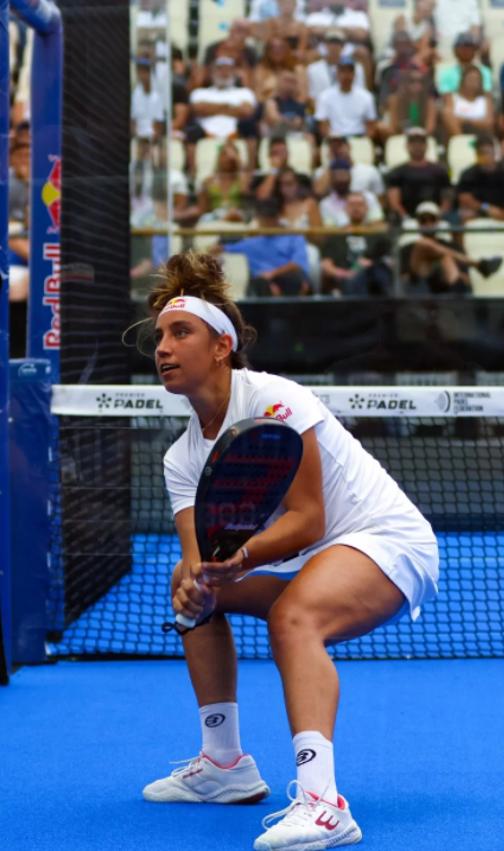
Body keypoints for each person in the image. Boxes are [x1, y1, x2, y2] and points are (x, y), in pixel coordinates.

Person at [140, 251, 440, 848]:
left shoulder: (276, 401)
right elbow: (200, 560)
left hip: (383, 540)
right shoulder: (181, 458)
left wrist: (242, 558)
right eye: (159, 338)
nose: (163, 348)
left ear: (221, 345)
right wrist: (200, 578)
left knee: (293, 616)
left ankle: (324, 805)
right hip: (309, 555)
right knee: (189, 590)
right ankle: (225, 765)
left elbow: (308, 520)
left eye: (181, 333)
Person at [217, 198, 313, 296]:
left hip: (290, 279)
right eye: (264, 219)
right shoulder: (251, 242)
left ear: (278, 217)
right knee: (261, 283)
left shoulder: (294, 236)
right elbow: (223, 248)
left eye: (271, 218)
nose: (267, 222)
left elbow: (297, 264)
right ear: (259, 219)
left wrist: (272, 274)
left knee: (296, 282)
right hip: (264, 283)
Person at [404, 201, 503, 294]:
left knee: (446, 258)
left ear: (438, 222)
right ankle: (478, 264)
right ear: (418, 223)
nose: (428, 224)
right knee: (423, 245)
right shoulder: (408, 248)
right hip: (420, 287)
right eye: (423, 220)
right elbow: (404, 278)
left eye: (432, 219)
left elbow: (464, 277)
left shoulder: (452, 246)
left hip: (447, 287)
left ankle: (457, 304)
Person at [188, 57, 259, 166]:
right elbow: (198, 109)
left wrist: (211, 108)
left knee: (249, 126)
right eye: (220, 69)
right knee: (192, 131)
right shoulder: (199, 93)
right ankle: (192, 171)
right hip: (207, 133)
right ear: (212, 72)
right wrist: (231, 107)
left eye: (228, 69)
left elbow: (246, 111)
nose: (224, 73)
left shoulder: (245, 92)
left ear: (234, 72)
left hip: (235, 133)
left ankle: (251, 168)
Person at [320, 192, 395, 295]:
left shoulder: (377, 236)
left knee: (379, 271)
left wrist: (367, 265)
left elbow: (389, 260)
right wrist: (345, 274)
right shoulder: (336, 236)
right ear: (345, 208)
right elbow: (326, 265)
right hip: (348, 280)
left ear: (367, 208)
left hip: (374, 277)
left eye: (359, 204)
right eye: (352, 205)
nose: (356, 208)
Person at [385, 127, 452, 222]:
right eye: (413, 143)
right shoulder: (397, 172)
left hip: (435, 217)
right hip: (406, 218)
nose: (417, 146)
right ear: (407, 146)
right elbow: (394, 202)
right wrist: (406, 218)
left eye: (421, 143)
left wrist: (438, 217)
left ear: (427, 146)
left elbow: (447, 199)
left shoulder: (440, 171)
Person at [455, 135, 504, 224]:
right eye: (481, 154)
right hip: (479, 211)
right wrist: (486, 207)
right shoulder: (468, 174)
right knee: (465, 213)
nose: (485, 157)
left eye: (487, 153)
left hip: (502, 211)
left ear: (494, 154)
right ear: (476, 155)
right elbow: (464, 198)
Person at [314, 56, 378, 141]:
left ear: (354, 74)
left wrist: (364, 141)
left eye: (350, 72)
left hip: (359, 137)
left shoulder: (366, 97)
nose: (346, 75)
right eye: (343, 71)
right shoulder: (325, 96)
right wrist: (331, 139)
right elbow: (323, 126)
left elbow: (371, 126)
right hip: (335, 139)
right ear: (337, 73)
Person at [318, 158, 385, 226]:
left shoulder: (368, 198)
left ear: (350, 177)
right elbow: (330, 232)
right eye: (337, 177)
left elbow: (379, 225)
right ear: (331, 179)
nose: (340, 180)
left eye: (343, 177)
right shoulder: (326, 204)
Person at [306, 29, 367, 103]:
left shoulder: (356, 68)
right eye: (330, 43)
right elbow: (312, 96)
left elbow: (360, 92)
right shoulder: (313, 69)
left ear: (343, 47)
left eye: (337, 43)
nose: (334, 46)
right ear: (325, 46)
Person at [312, 135, 384, 197]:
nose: (336, 150)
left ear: (349, 147)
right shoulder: (322, 172)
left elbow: (379, 199)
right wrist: (330, 165)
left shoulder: (369, 171)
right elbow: (318, 192)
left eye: (339, 145)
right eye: (332, 146)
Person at [197, 141, 250, 223]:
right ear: (219, 157)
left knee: (236, 215)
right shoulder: (208, 181)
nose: (228, 158)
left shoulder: (241, 179)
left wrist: (237, 159)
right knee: (205, 219)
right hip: (216, 214)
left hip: (236, 214)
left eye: (232, 155)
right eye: (224, 154)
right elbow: (202, 208)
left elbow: (244, 190)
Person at [383, 63, 437, 137]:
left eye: (420, 81)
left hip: (422, 138)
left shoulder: (430, 102)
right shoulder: (394, 100)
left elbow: (430, 128)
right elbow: (394, 127)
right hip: (399, 136)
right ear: (404, 83)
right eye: (412, 81)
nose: (416, 85)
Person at [442, 65, 496, 139]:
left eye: (476, 80)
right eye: (470, 79)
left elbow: (489, 123)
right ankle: (461, 141)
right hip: (459, 132)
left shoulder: (485, 99)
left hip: (481, 133)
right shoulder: (453, 97)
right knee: (447, 113)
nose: (473, 82)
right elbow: (449, 117)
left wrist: (465, 121)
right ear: (463, 80)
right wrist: (478, 121)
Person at [436, 31, 494, 97]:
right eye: (462, 46)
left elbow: (486, 96)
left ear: (475, 50)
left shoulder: (485, 72)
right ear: (455, 50)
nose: (466, 50)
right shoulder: (445, 73)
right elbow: (445, 97)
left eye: (469, 46)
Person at [261, 69, 312, 142]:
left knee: (310, 137)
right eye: (287, 81)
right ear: (279, 82)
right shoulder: (272, 102)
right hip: (275, 138)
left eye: (293, 82)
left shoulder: (299, 105)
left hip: (294, 137)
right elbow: (274, 120)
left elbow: (301, 123)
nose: (290, 85)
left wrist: (286, 121)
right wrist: (291, 122)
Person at [254, 36, 307, 102]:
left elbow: (302, 96)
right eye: (272, 47)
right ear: (267, 50)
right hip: (267, 106)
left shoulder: (298, 69)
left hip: (292, 107)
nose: (277, 50)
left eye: (281, 47)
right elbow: (258, 96)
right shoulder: (261, 70)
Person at [131, 56, 166, 140]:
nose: (142, 75)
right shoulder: (134, 96)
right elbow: (132, 122)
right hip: (138, 139)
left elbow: (159, 124)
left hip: (152, 140)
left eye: (145, 71)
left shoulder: (157, 97)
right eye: (140, 71)